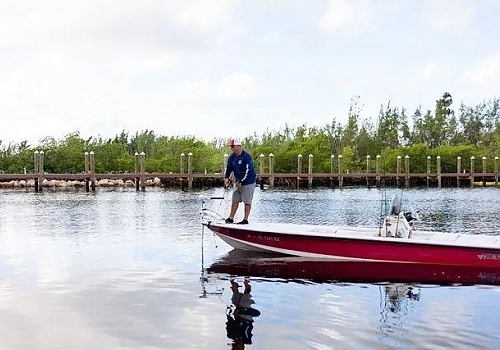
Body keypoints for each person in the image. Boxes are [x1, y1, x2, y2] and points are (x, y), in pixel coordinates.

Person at [224, 137, 257, 224]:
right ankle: (231, 218)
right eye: (231, 146)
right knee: (235, 199)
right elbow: (229, 168)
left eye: (233, 146)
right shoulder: (232, 157)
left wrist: (241, 181)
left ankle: (245, 219)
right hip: (238, 181)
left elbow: (247, 171)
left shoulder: (246, 157)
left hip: (248, 182)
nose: (231, 148)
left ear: (238, 146)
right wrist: (227, 178)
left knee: (247, 201)